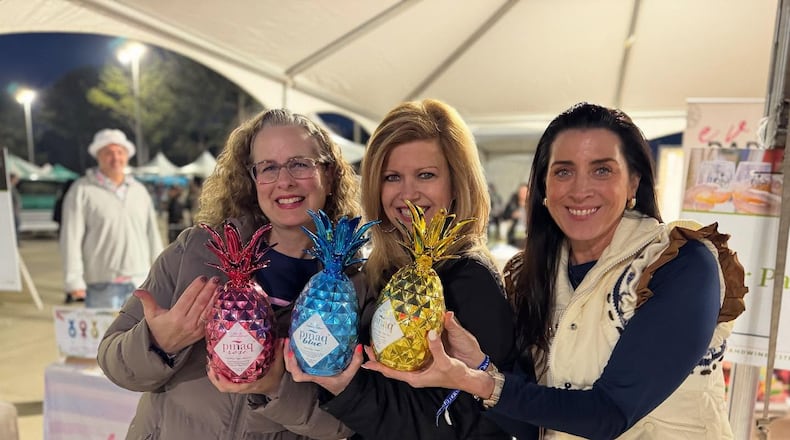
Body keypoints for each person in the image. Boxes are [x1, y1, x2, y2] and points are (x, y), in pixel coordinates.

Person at [362, 102, 748, 439]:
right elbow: (535, 426)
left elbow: (610, 414)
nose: (580, 189)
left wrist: (478, 381)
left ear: (634, 181)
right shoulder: (531, 277)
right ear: (543, 188)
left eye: (602, 170)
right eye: (563, 171)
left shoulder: (680, 262)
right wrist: (479, 365)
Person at [98, 108, 364, 439]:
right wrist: (158, 344)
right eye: (268, 167)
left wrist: (275, 387)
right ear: (251, 180)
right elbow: (113, 362)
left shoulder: (355, 286)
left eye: (300, 163)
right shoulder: (196, 251)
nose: (284, 181)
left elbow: (348, 428)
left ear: (329, 172)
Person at [285, 99, 518, 439]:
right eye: (392, 177)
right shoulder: (384, 270)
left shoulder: (470, 278)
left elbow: (466, 426)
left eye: (426, 175)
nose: (408, 194)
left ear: (457, 183)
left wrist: (348, 387)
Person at [59, 129, 163, 308]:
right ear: (98, 156)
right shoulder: (82, 190)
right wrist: (74, 280)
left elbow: (152, 235)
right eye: (108, 153)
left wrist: (162, 275)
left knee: (141, 336)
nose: (115, 158)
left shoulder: (139, 191)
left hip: (140, 283)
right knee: (105, 336)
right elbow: (71, 238)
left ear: (127, 156)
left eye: (120, 152)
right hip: (102, 285)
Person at [502, 182, 529, 248]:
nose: (522, 194)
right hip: (515, 234)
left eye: (524, 192)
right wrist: (512, 215)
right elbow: (504, 216)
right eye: (521, 192)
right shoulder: (513, 204)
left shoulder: (532, 205)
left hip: (528, 234)